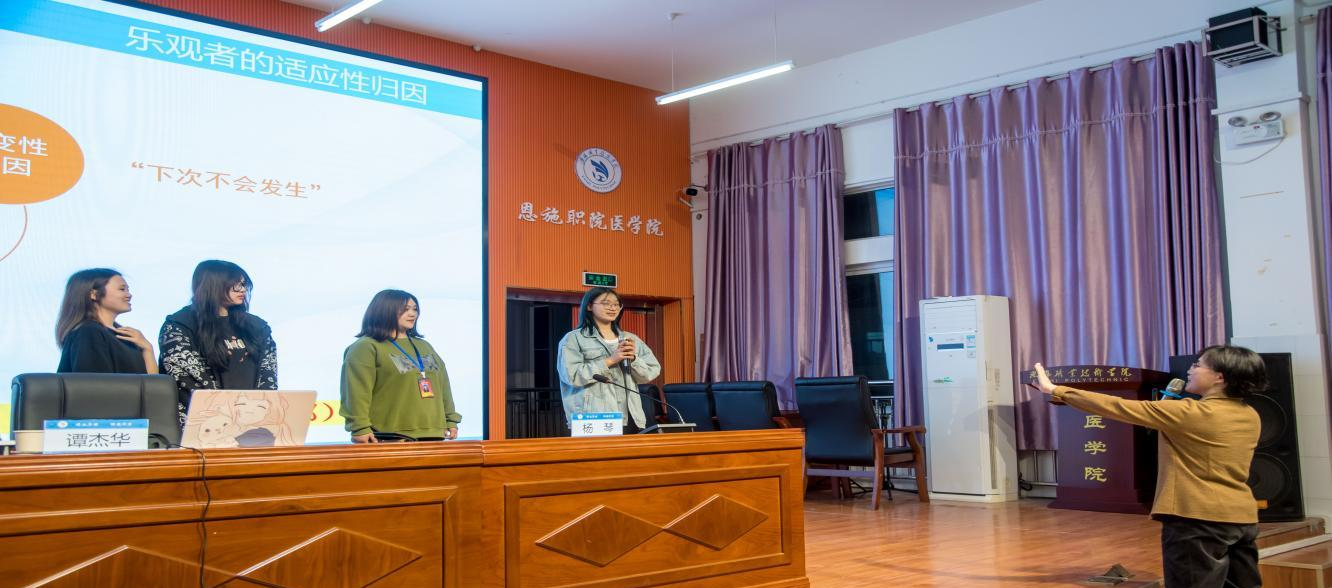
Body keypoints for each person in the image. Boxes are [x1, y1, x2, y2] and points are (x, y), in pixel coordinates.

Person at [1031, 345, 1266, 588]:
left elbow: (1117, 406)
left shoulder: (1189, 412)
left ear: (1219, 377)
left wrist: (1055, 389)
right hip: (1242, 518)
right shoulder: (1250, 414)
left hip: (1196, 518)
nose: (1190, 370)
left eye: (1197, 365)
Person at [159, 260, 278, 427]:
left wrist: (254, 412)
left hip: (252, 423)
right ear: (213, 284)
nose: (243, 289)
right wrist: (227, 413)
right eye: (236, 284)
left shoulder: (257, 327)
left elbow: (268, 374)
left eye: (244, 284)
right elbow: (186, 376)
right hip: (201, 425)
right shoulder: (179, 325)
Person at [340, 289, 461, 442]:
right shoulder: (366, 347)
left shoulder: (424, 346)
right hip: (390, 436)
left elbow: (443, 386)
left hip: (435, 433)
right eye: (405, 309)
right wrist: (359, 427)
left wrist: (451, 419)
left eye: (415, 309)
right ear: (385, 310)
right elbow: (356, 392)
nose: (412, 314)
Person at [556, 287, 660, 434]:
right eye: (606, 303)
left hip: (632, 417)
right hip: (594, 418)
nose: (613, 308)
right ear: (589, 306)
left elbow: (650, 372)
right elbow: (571, 376)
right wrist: (610, 361)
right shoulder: (574, 339)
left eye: (616, 304)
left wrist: (634, 359)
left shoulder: (630, 339)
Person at [55, 268, 158, 375]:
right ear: (93, 294)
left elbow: (152, 382)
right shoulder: (88, 332)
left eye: (128, 290)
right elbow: (94, 382)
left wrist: (147, 349)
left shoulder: (126, 336)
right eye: (122, 289)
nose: (129, 295)